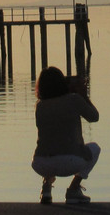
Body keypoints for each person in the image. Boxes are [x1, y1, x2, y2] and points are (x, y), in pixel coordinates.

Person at [31, 66, 100, 204]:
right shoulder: (74, 99)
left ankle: (46, 188)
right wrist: (83, 95)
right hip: (70, 162)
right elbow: (94, 117)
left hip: (40, 162)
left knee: (52, 145)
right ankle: (74, 189)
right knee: (95, 148)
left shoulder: (39, 106)